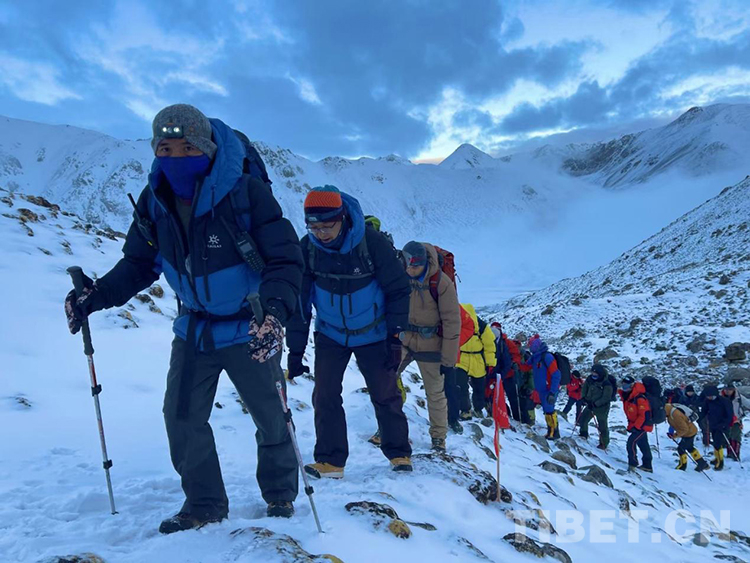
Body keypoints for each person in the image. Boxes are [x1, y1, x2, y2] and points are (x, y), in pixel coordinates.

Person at [64, 104, 304, 531]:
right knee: (181, 417)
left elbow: (285, 260)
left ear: (207, 149)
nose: (176, 157)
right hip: (194, 329)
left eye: (187, 147)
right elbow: (139, 264)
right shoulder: (155, 200)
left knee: (271, 416)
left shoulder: (245, 194)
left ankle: (280, 493)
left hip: (250, 325)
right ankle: (204, 504)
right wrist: (95, 296)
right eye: (166, 148)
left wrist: (275, 313)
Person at [286, 186, 413, 478]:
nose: (321, 233)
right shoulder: (308, 249)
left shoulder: (372, 244)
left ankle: (399, 452)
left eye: (327, 226)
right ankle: (331, 461)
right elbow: (300, 303)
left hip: (374, 333)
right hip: (331, 334)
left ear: (342, 218)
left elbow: (398, 289)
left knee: (385, 393)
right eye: (314, 227)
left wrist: (395, 336)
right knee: (325, 395)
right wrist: (295, 350)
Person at [395, 241, 460, 451]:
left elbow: (452, 323)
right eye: (409, 266)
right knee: (386, 380)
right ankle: (389, 426)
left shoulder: (441, 283)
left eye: (416, 266)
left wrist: (448, 362)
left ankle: (438, 437)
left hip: (432, 344)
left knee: (435, 393)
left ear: (425, 262)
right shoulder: (400, 275)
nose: (412, 270)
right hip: (405, 339)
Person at [455, 305, 497, 420]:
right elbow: (490, 346)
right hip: (463, 359)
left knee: (476, 387)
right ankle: (467, 409)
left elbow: (489, 346)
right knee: (465, 386)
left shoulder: (481, 326)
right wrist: (490, 363)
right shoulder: (482, 326)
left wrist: (490, 363)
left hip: (473, 359)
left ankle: (474, 409)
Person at [528, 336, 561, 439]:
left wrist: (552, 392)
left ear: (535, 345)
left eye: (531, 345)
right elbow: (525, 366)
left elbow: (556, 375)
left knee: (549, 410)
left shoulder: (547, 357)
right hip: (542, 390)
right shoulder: (535, 357)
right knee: (547, 410)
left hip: (549, 389)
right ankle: (550, 431)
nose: (529, 347)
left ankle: (555, 433)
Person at [489, 323, 522, 422]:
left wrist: (514, 363)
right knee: (496, 396)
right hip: (497, 374)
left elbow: (516, 355)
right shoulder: (491, 341)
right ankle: (505, 414)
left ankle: (516, 418)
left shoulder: (507, 342)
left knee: (512, 397)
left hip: (508, 374)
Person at [620, 375, 653, 472]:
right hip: (637, 425)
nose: (624, 387)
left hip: (642, 425)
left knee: (631, 443)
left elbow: (644, 414)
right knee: (643, 444)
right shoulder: (629, 396)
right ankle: (647, 465)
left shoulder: (639, 398)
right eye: (623, 384)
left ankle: (632, 464)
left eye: (626, 385)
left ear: (632, 385)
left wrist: (637, 427)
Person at [665, 404, 710, 472]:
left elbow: (684, 429)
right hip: (689, 431)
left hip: (689, 433)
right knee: (690, 448)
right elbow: (673, 423)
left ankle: (682, 466)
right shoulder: (670, 413)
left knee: (681, 449)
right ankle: (702, 463)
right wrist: (671, 432)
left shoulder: (675, 415)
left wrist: (675, 435)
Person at [698, 385, 733, 470]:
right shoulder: (707, 401)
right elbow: (704, 411)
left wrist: (724, 424)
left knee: (718, 443)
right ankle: (717, 458)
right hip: (713, 424)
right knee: (715, 442)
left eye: (711, 396)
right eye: (707, 396)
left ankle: (720, 462)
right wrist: (698, 418)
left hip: (722, 425)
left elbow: (729, 415)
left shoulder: (725, 401)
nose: (709, 398)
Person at [578, 365, 612, 450]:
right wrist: (583, 398)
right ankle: (583, 434)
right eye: (592, 373)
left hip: (602, 408)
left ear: (600, 374)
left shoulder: (606, 383)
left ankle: (604, 443)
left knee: (602, 425)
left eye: (595, 374)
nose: (593, 375)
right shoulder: (590, 379)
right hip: (590, 404)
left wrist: (596, 404)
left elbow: (606, 397)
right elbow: (584, 388)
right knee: (583, 419)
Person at [720, 384, 749, 461]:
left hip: (736, 420)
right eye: (726, 389)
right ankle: (729, 453)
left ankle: (736, 454)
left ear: (733, 390)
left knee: (736, 437)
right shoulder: (720, 397)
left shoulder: (738, 397)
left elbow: (748, 403)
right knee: (728, 436)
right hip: (724, 420)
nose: (727, 391)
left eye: (730, 389)